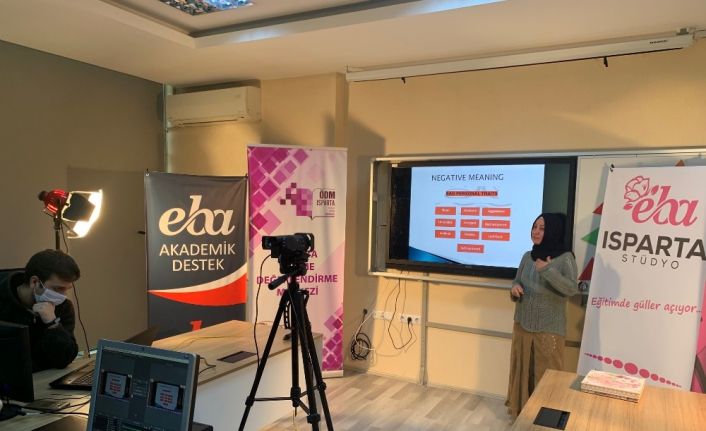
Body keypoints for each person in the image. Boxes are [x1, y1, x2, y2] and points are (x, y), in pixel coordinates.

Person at [506, 213, 578, 419]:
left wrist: (547, 270)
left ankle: (546, 419)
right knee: (522, 372)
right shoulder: (527, 256)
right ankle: (522, 415)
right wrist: (514, 289)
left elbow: (571, 289)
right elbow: (516, 281)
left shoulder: (565, 258)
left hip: (549, 330)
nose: (536, 232)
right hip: (522, 325)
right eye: (534, 227)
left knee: (548, 377)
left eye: (542, 228)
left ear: (553, 231)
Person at [0, 249, 80, 371]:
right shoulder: (4, 301)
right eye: (58, 288)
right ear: (35, 282)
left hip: (43, 379)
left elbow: (65, 358)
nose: (63, 296)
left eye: (67, 289)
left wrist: (52, 324)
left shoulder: (63, 307)